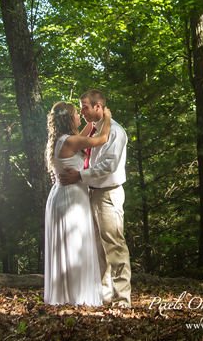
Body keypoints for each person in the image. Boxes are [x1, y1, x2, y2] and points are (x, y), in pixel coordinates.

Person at [58, 90, 131, 308]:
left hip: (108, 194)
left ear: (98, 106)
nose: (81, 111)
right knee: (98, 249)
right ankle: (104, 296)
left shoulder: (115, 131)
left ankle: (122, 299)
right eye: (80, 108)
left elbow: (109, 165)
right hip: (91, 192)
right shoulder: (94, 131)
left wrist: (80, 175)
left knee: (114, 246)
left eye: (85, 107)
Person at [44, 101, 111, 306]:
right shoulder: (70, 141)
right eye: (76, 114)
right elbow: (103, 138)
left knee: (69, 244)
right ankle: (75, 297)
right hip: (70, 197)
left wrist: (91, 122)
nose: (79, 116)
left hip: (61, 195)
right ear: (68, 119)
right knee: (74, 244)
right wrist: (106, 116)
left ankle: (69, 295)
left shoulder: (60, 139)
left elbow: (83, 134)